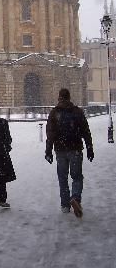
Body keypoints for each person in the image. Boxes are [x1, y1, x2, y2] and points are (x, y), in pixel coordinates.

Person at [45, 88, 94, 217]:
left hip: (60, 150)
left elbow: (50, 134)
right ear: (69, 97)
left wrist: (48, 151)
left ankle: (65, 205)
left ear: (59, 97)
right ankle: (76, 198)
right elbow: (86, 131)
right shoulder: (77, 112)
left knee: (62, 177)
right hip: (76, 149)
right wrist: (89, 148)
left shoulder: (54, 113)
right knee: (77, 176)